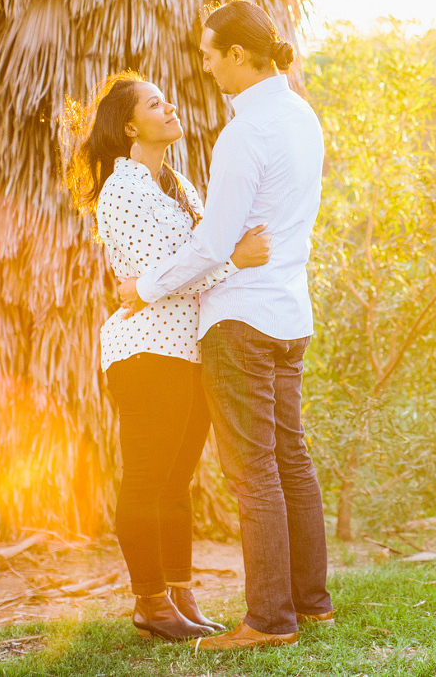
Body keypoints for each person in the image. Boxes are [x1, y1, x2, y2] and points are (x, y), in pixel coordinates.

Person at [118, 0, 334, 651]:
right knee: (291, 457)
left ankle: (268, 619)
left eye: (211, 53)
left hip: (240, 317)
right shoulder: (302, 116)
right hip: (290, 312)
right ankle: (310, 602)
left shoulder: (245, 132)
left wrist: (141, 287)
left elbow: (214, 243)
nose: (206, 66)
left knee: (254, 471)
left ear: (239, 55)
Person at [70, 71, 272, 641]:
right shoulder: (124, 189)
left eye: (166, 99)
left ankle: (180, 596)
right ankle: (150, 602)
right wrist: (239, 258)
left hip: (186, 347)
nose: (170, 107)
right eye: (156, 104)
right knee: (147, 478)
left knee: (176, 480)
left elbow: (185, 265)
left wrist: (229, 252)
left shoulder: (175, 183)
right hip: (146, 351)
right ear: (131, 125)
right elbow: (163, 279)